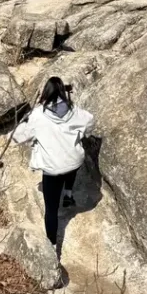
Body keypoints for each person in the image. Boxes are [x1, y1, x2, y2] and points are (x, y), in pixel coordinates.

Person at [13, 77, 94, 250]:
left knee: (51, 210)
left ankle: (52, 246)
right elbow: (90, 120)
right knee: (71, 161)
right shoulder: (74, 110)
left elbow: (19, 136)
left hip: (53, 169)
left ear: (45, 93)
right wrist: (82, 134)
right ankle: (68, 194)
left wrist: (21, 124)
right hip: (74, 161)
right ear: (63, 92)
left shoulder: (38, 115)